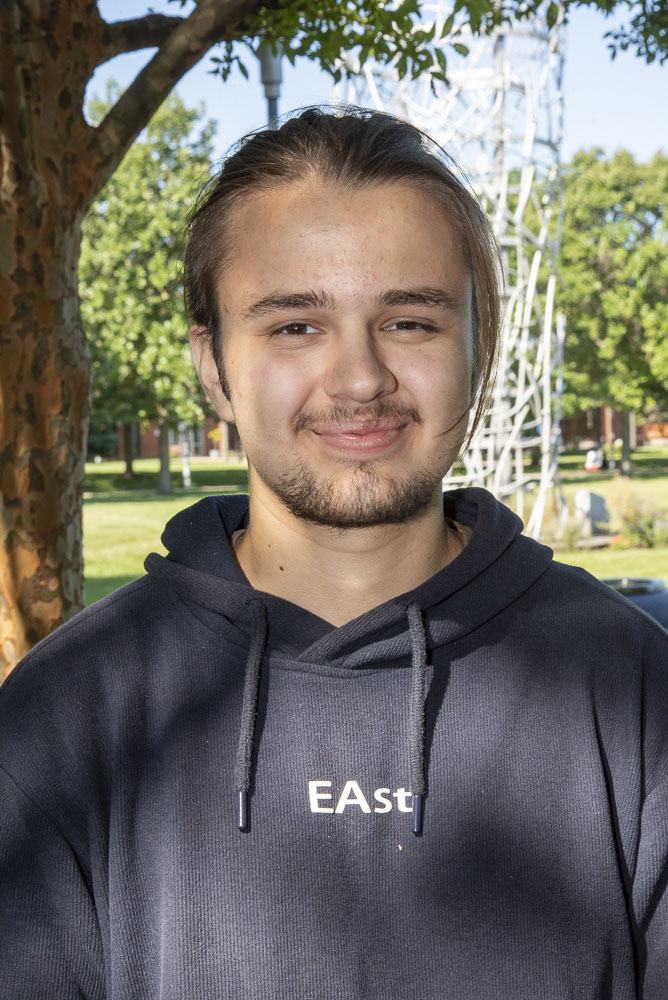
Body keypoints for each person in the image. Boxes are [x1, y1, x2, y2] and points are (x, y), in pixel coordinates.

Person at [1, 107, 667, 1000]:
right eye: (295, 327)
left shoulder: (634, 689)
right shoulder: (63, 715)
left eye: (410, 322)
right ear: (212, 365)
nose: (359, 380)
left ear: (482, 348)